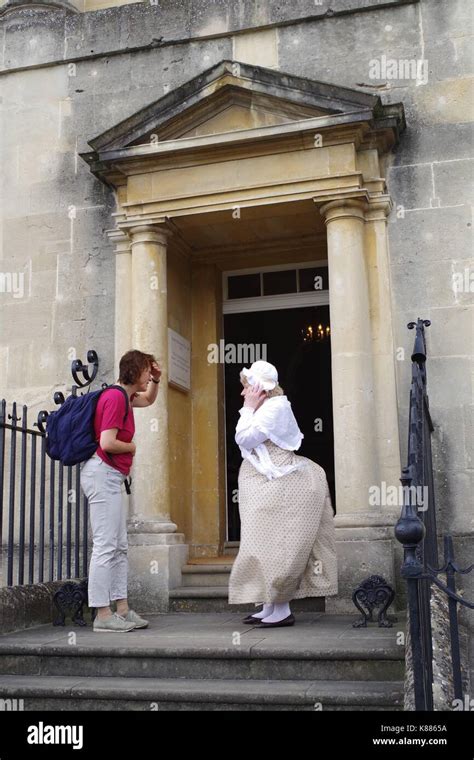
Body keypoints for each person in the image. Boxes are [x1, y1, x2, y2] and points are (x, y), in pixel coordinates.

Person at [228, 360, 338, 627]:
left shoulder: (276, 406)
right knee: (261, 540)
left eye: (247, 387)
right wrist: (251, 408)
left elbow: (244, 438)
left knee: (278, 542)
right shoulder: (265, 407)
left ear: (259, 389)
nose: (243, 393)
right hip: (263, 480)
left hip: (278, 481)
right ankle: (269, 604)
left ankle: (282, 608)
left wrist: (248, 408)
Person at [80, 349, 162, 633]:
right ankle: (103, 614)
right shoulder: (115, 397)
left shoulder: (126, 397)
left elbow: (149, 399)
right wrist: (133, 447)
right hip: (103, 475)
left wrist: (158, 381)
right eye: (146, 372)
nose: (148, 376)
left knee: (120, 547)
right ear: (133, 371)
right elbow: (107, 442)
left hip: (112, 478)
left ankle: (122, 610)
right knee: (105, 546)